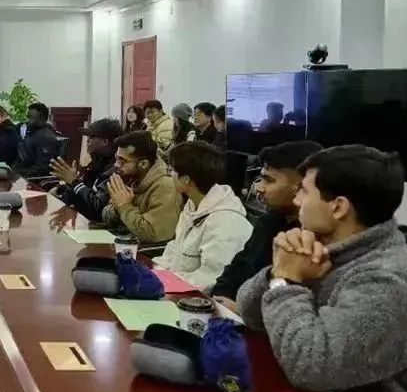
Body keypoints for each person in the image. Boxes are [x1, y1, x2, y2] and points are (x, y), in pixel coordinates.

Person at [237, 146, 407, 392]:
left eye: (304, 191)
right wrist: (279, 270)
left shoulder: (388, 279)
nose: (296, 200)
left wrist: (286, 281)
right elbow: (249, 313)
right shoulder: (326, 246)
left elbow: (311, 366)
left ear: (338, 207)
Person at [212, 141, 323, 309]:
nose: (259, 188)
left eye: (269, 180)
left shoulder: (315, 239)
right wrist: (217, 300)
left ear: (302, 185)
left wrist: (241, 311)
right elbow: (238, 267)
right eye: (261, 178)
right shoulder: (267, 222)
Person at [155, 141, 252, 290]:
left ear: (186, 179)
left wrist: (164, 284)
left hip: (200, 297)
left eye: (172, 170)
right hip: (177, 287)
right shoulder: (193, 205)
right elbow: (175, 250)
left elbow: (210, 278)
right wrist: (153, 273)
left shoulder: (226, 222)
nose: (169, 174)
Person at [101, 131, 182, 243]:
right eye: (116, 159)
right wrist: (117, 208)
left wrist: (125, 206)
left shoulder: (165, 186)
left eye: (122, 161)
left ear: (143, 164)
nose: (116, 165)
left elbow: (154, 235)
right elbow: (106, 214)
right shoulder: (130, 177)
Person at [49, 117, 123, 222]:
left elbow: (97, 209)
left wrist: (74, 182)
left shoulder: (115, 170)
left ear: (105, 141)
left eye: (91, 137)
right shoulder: (95, 164)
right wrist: (61, 190)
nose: (87, 141)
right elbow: (81, 194)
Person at [15, 102, 62, 178]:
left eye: (30, 118)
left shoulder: (46, 137)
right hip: (24, 175)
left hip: (35, 180)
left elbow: (42, 168)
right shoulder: (32, 133)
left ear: (42, 119)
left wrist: (18, 173)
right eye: (27, 117)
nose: (27, 121)